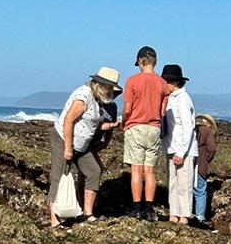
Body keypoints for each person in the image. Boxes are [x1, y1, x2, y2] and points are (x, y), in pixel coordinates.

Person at [49, 67, 122, 228]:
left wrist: (111, 126)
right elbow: (69, 120)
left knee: (94, 171)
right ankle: (55, 220)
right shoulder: (84, 96)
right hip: (63, 139)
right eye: (109, 87)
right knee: (59, 176)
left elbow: (93, 125)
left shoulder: (98, 99)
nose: (111, 91)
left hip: (82, 145)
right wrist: (68, 148)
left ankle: (87, 213)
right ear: (100, 84)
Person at [122, 46, 169, 221]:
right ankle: (149, 208)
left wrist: (124, 122)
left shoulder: (132, 80)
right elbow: (163, 111)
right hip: (154, 128)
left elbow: (127, 109)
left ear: (141, 60)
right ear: (154, 62)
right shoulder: (163, 84)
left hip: (136, 126)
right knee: (150, 170)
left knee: (136, 169)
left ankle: (136, 209)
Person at [161, 64, 198, 225]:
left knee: (184, 184)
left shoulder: (183, 99)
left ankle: (184, 215)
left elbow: (188, 127)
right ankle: (174, 213)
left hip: (185, 150)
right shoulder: (170, 99)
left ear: (173, 83)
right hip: (171, 147)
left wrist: (181, 152)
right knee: (173, 183)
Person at [193, 113, 217, 224]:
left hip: (188, 163)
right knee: (200, 191)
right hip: (201, 165)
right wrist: (207, 159)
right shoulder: (208, 131)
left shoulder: (192, 128)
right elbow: (212, 148)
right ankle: (200, 216)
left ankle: (186, 212)